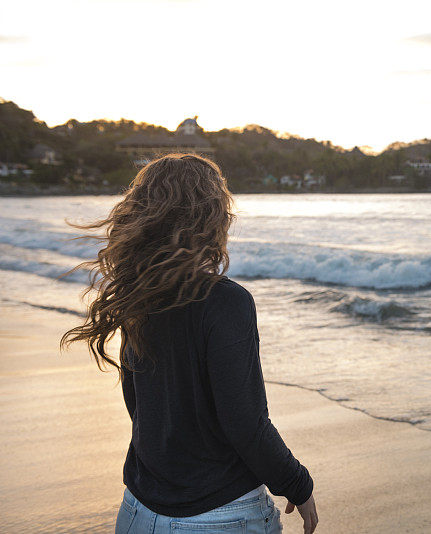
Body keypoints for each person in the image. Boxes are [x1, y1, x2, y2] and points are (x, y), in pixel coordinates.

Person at [61, 154, 318, 534]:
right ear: (212, 217)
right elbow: (245, 422)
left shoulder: (137, 295)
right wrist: (297, 482)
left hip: (138, 511)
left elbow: (141, 407)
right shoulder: (225, 302)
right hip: (219, 515)